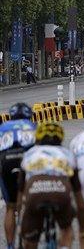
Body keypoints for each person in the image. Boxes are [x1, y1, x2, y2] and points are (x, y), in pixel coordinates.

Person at [18, 122, 84, 249]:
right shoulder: (67, 155)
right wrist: (82, 228)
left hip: (35, 192)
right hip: (59, 192)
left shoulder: (29, 154)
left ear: (37, 139)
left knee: (30, 241)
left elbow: (20, 195)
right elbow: (80, 200)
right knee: (66, 228)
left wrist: (22, 223)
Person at [0, 103, 36, 249]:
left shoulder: (3, 127)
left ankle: (10, 246)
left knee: (10, 207)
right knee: (29, 204)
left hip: (6, 161)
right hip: (25, 160)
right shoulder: (32, 126)